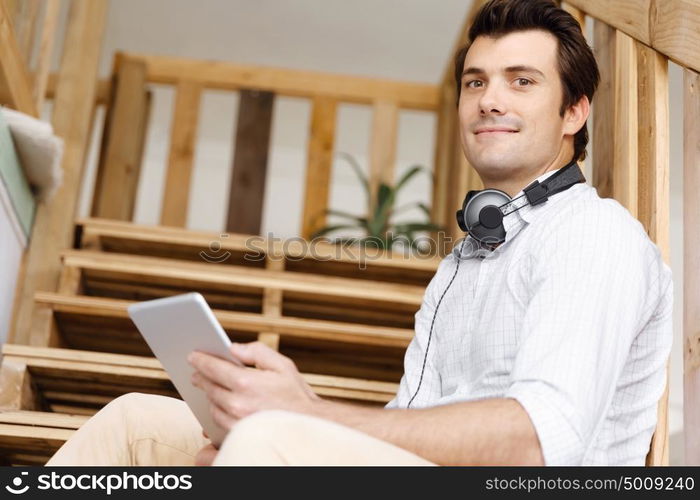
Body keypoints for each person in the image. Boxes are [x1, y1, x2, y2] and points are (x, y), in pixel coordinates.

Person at [46, 0, 672, 466]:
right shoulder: (464, 264)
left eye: (522, 80)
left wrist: (303, 419)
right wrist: (288, 425)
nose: (488, 99)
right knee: (138, 423)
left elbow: (536, 441)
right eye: (476, 81)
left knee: (269, 437)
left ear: (574, 111)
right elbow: (405, 430)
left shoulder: (593, 235)